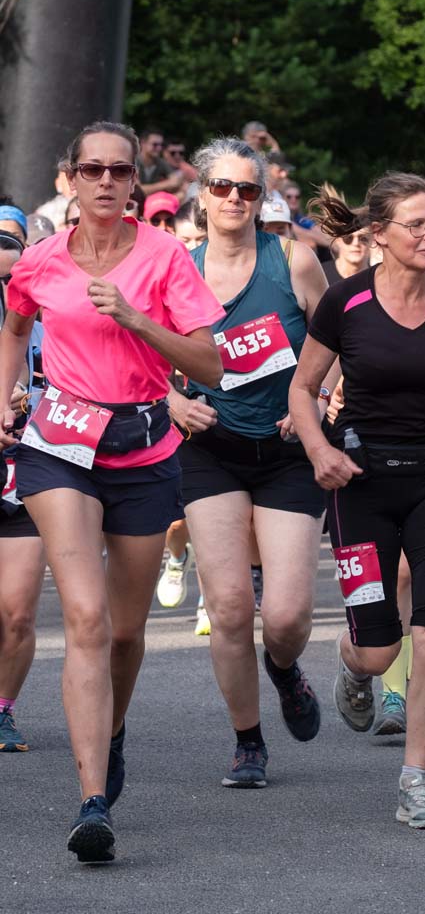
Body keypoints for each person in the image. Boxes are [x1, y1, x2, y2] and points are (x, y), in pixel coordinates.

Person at [0, 121, 224, 864]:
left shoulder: (164, 258)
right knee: (88, 618)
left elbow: (212, 365)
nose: (104, 181)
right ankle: (93, 799)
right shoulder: (39, 259)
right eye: (90, 169)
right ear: (70, 179)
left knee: (127, 634)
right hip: (59, 446)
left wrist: (136, 319)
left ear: (135, 182)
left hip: (143, 447)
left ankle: (112, 730)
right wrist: (6, 396)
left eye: (118, 171)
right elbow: (15, 324)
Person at [288, 172, 425, 829]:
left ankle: (417, 782)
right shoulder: (345, 303)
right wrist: (321, 451)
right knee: (380, 652)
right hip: (361, 485)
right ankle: (353, 666)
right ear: (378, 233)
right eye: (418, 224)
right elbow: (302, 390)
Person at [167, 138, 331, 790]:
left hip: (288, 451)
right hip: (211, 451)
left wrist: (314, 397)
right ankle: (248, 740)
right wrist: (173, 399)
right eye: (223, 188)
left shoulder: (291, 259)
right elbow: (139, 353)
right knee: (231, 607)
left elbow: (336, 336)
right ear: (202, 195)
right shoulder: (179, 268)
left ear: (263, 199)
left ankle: (286, 671)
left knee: (287, 616)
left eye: (248, 189)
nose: (235, 199)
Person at [0, 230, 45, 753]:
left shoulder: (57, 323)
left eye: (15, 278)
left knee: (17, 610)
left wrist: (32, 398)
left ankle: (3, 709)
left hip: (31, 471)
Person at [136, 129, 184, 197]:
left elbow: (175, 182)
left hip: (153, 202)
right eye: (155, 144)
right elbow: (137, 191)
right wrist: (165, 184)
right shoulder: (133, 161)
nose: (159, 148)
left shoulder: (160, 162)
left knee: (181, 194)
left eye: (161, 145)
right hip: (133, 203)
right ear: (143, 143)